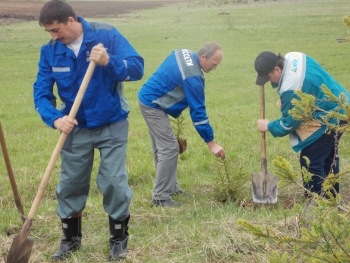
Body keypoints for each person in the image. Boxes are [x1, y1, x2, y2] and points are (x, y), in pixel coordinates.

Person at [33, 0, 144, 261]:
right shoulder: (50, 52)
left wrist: (109, 61)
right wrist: (55, 119)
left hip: (112, 122)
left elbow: (137, 68)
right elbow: (41, 93)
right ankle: (70, 241)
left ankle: (119, 240)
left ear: (71, 21)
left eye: (55, 30)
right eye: (49, 32)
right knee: (70, 184)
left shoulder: (105, 35)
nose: (53, 36)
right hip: (75, 127)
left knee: (114, 182)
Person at [138, 43, 226, 207]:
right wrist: (211, 144)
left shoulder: (183, 52)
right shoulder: (193, 77)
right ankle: (161, 197)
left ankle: (170, 187)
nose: (214, 68)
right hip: (153, 104)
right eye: (214, 64)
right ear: (202, 57)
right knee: (169, 148)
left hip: (149, 97)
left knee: (163, 147)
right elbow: (198, 113)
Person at [254, 51, 350, 198]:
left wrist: (267, 126)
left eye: (268, 77)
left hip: (329, 116)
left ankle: (316, 203)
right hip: (342, 104)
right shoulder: (294, 56)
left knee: (311, 159)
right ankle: (332, 198)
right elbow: (310, 86)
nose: (268, 81)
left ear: (277, 70)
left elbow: (289, 123)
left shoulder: (290, 87)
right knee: (328, 157)